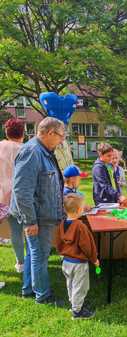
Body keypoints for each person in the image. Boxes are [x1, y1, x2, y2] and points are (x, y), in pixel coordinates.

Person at [10, 117, 65, 304]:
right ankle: (43, 295)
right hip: (37, 216)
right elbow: (21, 190)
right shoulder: (33, 151)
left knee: (33, 253)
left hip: (41, 213)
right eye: (61, 136)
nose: (62, 140)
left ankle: (28, 289)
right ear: (50, 133)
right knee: (40, 255)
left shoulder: (42, 151)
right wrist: (30, 221)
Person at [55, 193, 99, 319]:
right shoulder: (81, 226)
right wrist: (94, 259)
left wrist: (61, 252)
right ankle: (77, 312)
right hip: (79, 263)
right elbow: (88, 246)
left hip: (66, 262)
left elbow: (58, 242)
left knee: (70, 284)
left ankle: (74, 303)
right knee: (80, 286)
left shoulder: (61, 225)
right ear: (79, 210)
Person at [0, 118, 25, 273]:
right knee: (22, 229)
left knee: (15, 231)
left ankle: (20, 263)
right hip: (19, 194)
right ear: (22, 133)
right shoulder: (25, 149)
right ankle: (25, 262)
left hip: (2, 194)